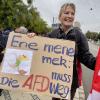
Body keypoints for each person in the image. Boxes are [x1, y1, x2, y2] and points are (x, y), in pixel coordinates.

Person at [28, 2, 96, 100]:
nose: (70, 16)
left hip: (71, 82)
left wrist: (97, 63)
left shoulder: (80, 35)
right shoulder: (52, 34)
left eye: (72, 14)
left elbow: (86, 57)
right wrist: (32, 39)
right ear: (60, 16)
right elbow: (40, 48)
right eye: (66, 13)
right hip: (53, 80)